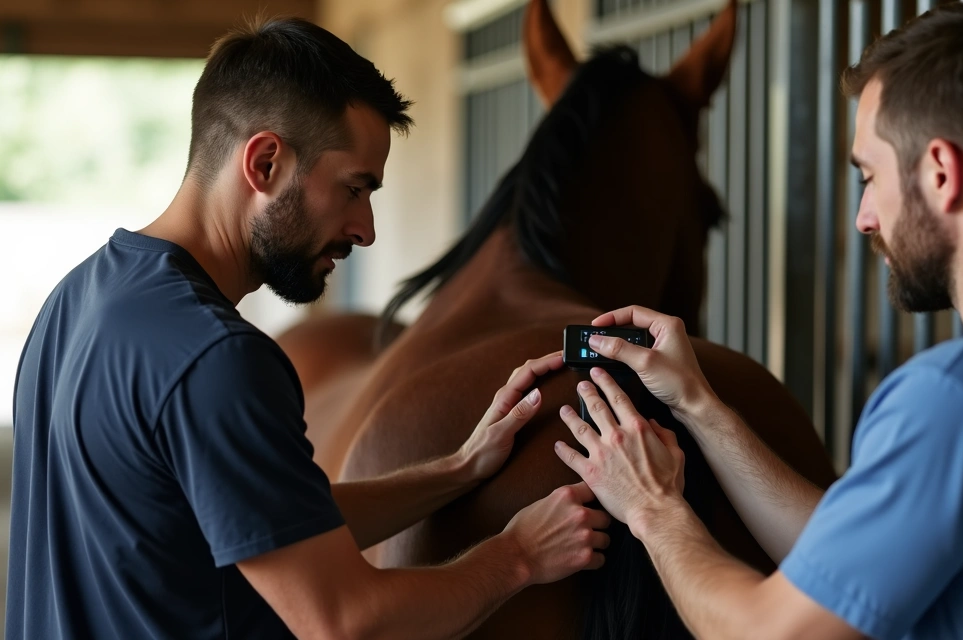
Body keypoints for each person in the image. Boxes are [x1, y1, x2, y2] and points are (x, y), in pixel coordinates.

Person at [551, 2, 963, 639]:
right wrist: (698, 405)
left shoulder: (958, 396)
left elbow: (772, 634)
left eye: (870, 175)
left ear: (941, 173)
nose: (864, 217)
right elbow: (854, 566)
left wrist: (652, 506)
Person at [8, 17, 609, 640]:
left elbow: (269, 522)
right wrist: (518, 556)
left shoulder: (75, 300)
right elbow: (343, 623)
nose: (365, 230)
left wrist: (457, 470)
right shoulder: (216, 358)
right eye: (353, 189)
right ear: (265, 162)